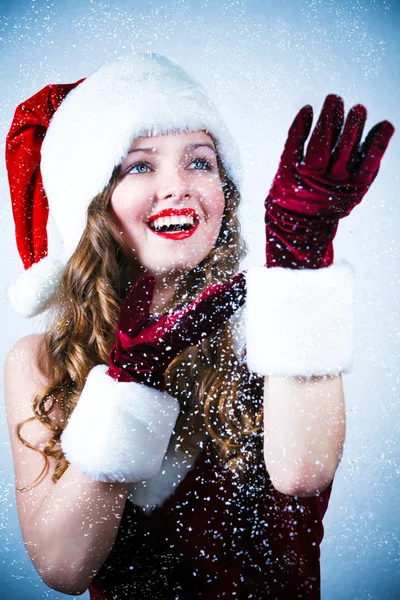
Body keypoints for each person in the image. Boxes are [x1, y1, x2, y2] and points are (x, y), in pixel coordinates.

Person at [4, 53, 394, 599]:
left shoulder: (272, 323)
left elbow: (303, 472)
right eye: (140, 165)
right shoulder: (41, 359)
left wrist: (298, 262)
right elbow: (63, 567)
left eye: (201, 162)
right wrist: (129, 382)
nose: (178, 185)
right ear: (92, 203)